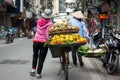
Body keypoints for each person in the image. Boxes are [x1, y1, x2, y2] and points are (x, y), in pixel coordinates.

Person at [30, 9, 53, 78]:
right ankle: (38, 73)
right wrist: (49, 40)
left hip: (36, 41)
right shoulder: (50, 23)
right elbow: (46, 34)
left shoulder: (39, 21)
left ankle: (33, 70)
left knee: (35, 55)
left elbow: (37, 30)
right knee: (41, 58)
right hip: (43, 43)